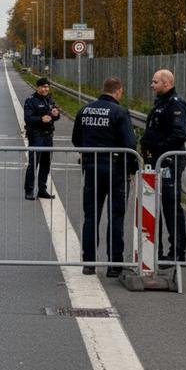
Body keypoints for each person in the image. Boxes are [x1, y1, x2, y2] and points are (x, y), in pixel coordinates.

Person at [72, 77, 139, 277]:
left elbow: (76, 139)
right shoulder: (119, 112)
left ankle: (89, 263)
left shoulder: (85, 110)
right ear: (118, 91)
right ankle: (114, 265)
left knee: (91, 216)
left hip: (91, 168)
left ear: (104, 89)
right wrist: (132, 168)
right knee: (115, 217)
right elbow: (130, 144)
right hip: (115, 170)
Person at [140, 69, 186, 264]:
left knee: (171, 207)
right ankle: (156, 251)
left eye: (155, 82)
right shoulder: (160, 103)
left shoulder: (175, 104)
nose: (152, 85)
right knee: (152, 205)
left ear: (166, 83)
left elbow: (180, 134)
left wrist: (160, 149)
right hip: (155, 161)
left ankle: (177, 253)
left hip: (169, 162)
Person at [23, 77, 60, 199]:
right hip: (36, 136)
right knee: (33, 163)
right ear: (38, 87)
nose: (46, 89)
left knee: (46, 164)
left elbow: (54, 116)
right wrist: (40, 119)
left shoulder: (49, 100)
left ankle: (42, 190)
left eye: (47, 87)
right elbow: (28, 118)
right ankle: (29, 190)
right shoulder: (31, 100)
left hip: (48, 135)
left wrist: (56, 114)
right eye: (43, 87)